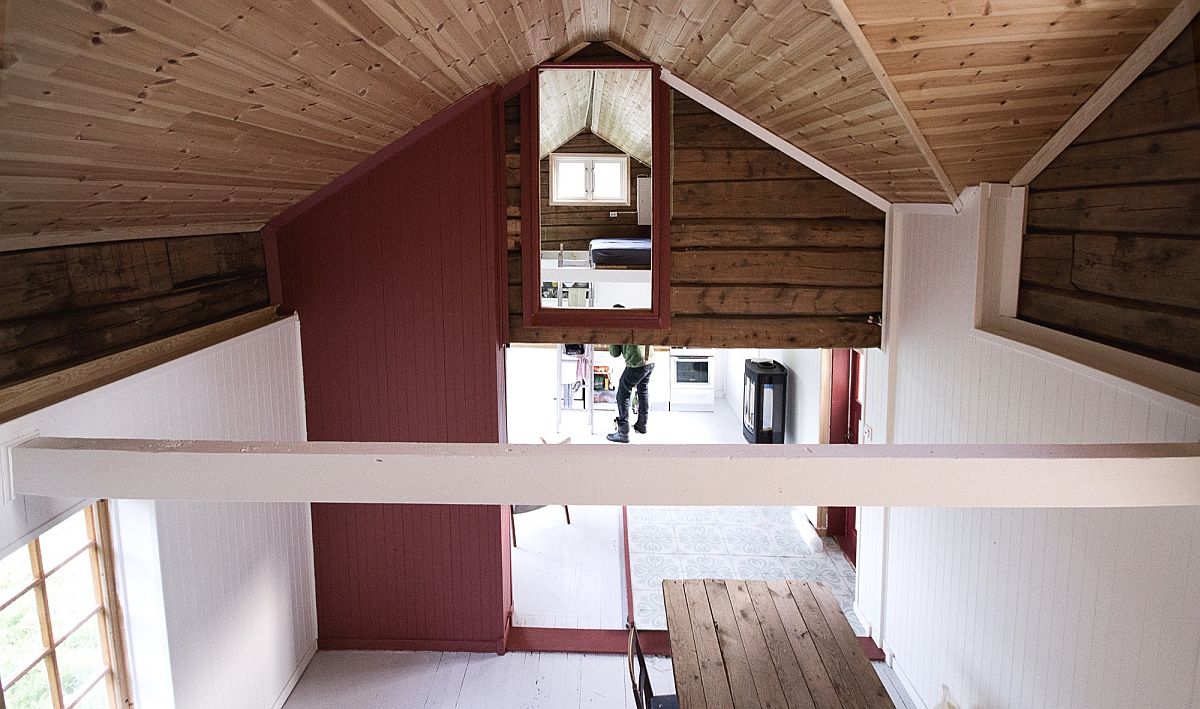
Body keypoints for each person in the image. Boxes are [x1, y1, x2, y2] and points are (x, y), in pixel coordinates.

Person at [606, 343, 653, 443]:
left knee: (622, 395)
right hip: (650, 359)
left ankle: (623, 432)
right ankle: (642, 425)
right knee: (643, 390)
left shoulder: (617, 326)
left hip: (637, 362)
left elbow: (615, 353)